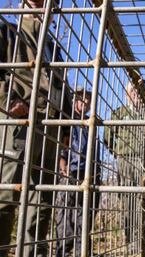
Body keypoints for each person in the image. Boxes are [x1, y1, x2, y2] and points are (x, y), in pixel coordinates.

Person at [0, 1, 71, 256]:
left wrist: (66, 127)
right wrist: (6, 100)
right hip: (19, 123)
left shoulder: (54, 47)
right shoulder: (9, 30)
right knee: (6, 194)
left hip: (51, 127)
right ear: (22, 4)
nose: (44, 9)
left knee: (42, 199)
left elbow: (64, 87)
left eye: (48, 5)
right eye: (38, 3)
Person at [55, 87, 100, 257]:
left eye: (88, 99)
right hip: (70, 172)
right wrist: (63, 164)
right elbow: (60, 144)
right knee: (66, 216)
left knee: (85, 216)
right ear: (74, 100)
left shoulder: (91, 123)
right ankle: (63, 253)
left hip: (91, 173)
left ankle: (82, 253)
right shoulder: (67, 119)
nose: (85, 102)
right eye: (82, 98)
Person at [104, 82, 141, 246]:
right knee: (128, 200)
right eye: (132, 91)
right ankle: (131, 240)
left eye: (138, 92)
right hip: (125, 160)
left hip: (143, 161)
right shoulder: (119, 113)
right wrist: (117, 151)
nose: (136, 95)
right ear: (127, 94)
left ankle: (144, 237)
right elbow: (107, 136)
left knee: (144, 199)